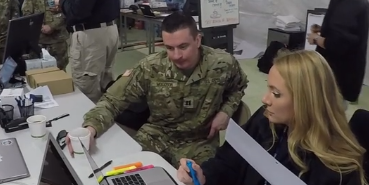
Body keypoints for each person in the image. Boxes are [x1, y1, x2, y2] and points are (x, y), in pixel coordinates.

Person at [177, 50, 367, 185]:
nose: (265, 99)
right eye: (268, 88)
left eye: (276, 94)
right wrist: (204, 175)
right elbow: (230, 161)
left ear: (305, 102)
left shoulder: (339, 163)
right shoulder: (266, 120)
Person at [66, 12, 248, 166]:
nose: (176, 55)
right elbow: (112, 101)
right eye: (169, 48)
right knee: (127, 176)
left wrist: (226, 111)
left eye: (183, 47)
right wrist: (90, 128)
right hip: (156, 135)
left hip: (199, 141)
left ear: (198, 40)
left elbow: (238, 87)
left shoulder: (222, 64)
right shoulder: (151, 67)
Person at [308, 0, 369, 107]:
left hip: (339, 74)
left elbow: (338, 44)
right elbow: (345, 32)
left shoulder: (353, 3)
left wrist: (315, 38)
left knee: (330, 114)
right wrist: (324, 29)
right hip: (341, 73)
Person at [21, 0, 69, 70]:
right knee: (41, 72)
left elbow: (67, 12)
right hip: (40, 41)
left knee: (60, 71)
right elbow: (27, 13)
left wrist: (53, 26)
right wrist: (40, 26)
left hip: (58, 41)